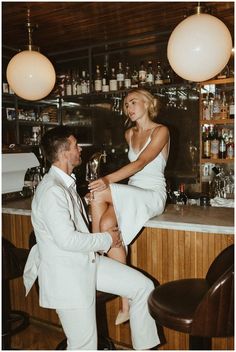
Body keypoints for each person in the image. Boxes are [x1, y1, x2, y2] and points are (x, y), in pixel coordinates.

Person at [23, 126, 160, 350]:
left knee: (143, 287)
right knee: (84, 346)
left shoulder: (64, 185)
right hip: (67, 276)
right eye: (76, 145)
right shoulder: (52, 191)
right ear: (65, 153)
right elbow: (68, 241)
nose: (80, 149)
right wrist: (106, 239)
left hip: (86, 263)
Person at [88, 88, 170, 325]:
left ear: (148, 103)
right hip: (133, 191)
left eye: (133, 102)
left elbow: (142, 163)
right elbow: (132, 174)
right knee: (106, 224)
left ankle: (92, 256)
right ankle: (126, 303)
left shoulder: (161, 131)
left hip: (152, 193)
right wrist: (105, 185)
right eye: (125, 105)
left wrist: (106, 180)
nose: (129, 107)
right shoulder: (129, 134)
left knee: (99, 194)